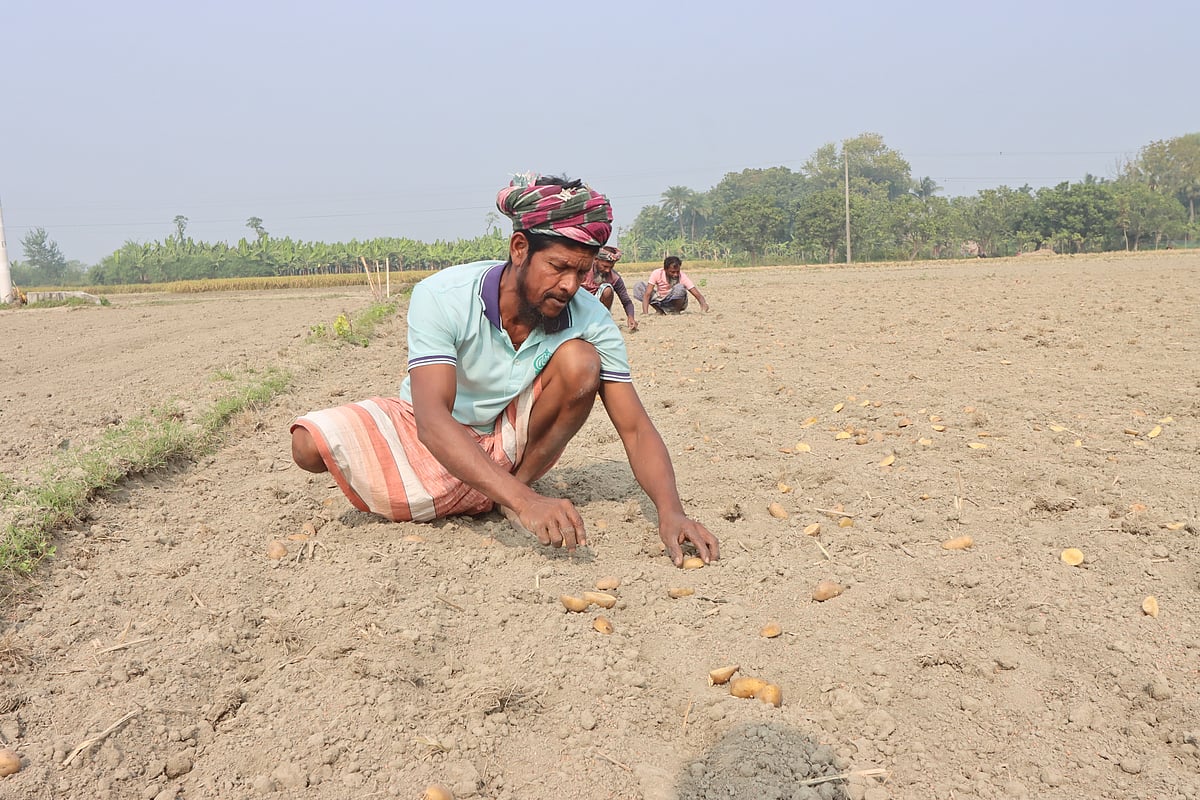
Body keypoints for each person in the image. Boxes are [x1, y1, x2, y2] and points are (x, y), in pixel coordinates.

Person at [289, 174, 718, 567]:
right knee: (308, 444)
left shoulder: (590, 317)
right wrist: (530, 502)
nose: (570, 285)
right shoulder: (444, 296)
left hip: (507, 440)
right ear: (519, 249)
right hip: (431, 431)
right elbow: (433, 423)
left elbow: (636, 429)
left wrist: (671, 511)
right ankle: (507, 495)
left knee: (581, 362)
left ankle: (508, 495)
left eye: (581, 271)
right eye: (558, 267)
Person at [582, 245, 637, 332]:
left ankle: (600, 323)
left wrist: (630, 317)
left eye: (611, 267)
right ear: (596, 260)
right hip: (579, 305)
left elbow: (626, 301)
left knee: (607, 289)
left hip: (596, 309)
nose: (608, 270)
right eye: (604, 266)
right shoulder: (583, 270)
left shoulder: (614, 278)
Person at [633, 256, 710, 315]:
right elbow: (647, 294)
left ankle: (675, 311)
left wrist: (704, 305)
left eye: (677, 272)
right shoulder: (657, 273)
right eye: (672, 272)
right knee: (639, 286)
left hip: (674, 302)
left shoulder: (682, 276)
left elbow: (697, 294)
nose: (675, 274)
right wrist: (645, 313)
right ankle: (660, 310)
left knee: (679, 288)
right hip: (660, 300)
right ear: (665, 269)